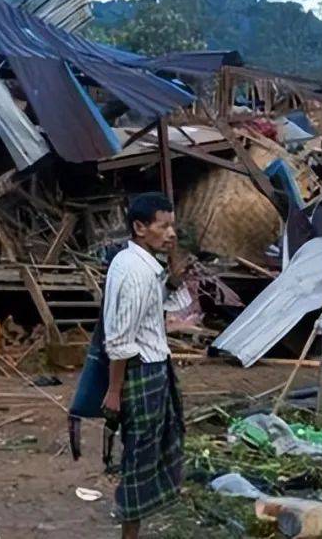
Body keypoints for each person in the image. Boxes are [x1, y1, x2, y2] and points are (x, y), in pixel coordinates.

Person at [101, 192, 191, 538]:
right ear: (140, 227)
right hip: (141, 371)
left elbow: (155, 310)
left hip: (154, 368)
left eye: (172, 226)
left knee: (151, 449)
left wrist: (173, 278)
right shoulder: (135, 273)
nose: (171, 234)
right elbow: (121, 340)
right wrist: (113, 391)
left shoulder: (144, 266)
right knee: (139, 456)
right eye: (163, 226)